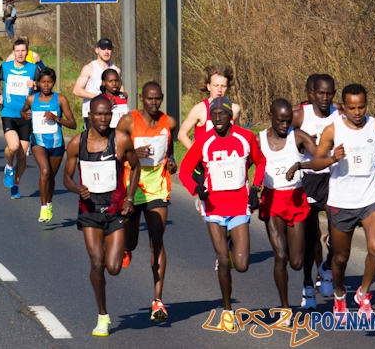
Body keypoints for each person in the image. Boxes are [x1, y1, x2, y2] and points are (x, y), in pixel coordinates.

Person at [178, 97, 265, 332]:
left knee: (242, 264)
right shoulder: (204, 141)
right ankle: (227, 311)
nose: (217, 119)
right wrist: (197, 189)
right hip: (214, 208)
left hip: (238, 206)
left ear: (231, 117)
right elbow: (184, 171)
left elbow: (260, 162)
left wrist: (255, 188)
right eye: (213, 115)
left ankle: (231, 243)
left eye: (222, 114)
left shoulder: (245, 137)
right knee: (224, 261)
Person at [63, 95, 139, 337]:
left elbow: (136, 166)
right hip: (90, 211)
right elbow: (66, 178)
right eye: (99, 114)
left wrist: (130, 198)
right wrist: (78, 189)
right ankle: (103, 316)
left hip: (115, 210)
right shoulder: (77, 143)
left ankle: (121, 246)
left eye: (107, 114)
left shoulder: (121, 140)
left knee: (113, 268)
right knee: (97, 263)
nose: (104, 118)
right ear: (90, 116)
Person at [310, 84, 375, 322]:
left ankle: (363, 294)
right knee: (340, 257)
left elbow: (372, 151)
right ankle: (340, 294)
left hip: (370, 197)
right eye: (352, 108)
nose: (357, 112)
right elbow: (315, 163)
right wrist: (332, 158)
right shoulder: (333, 131)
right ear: (343, 106)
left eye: (361, 107)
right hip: (342, 200)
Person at [116, 82, 177, 322]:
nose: (154, 103)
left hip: (157, 189)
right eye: (149, 99)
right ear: (141, 99)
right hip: (132, 188)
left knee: (157, 239)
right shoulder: (128, 122)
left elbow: (169, 151)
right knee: (131, 241)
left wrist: (171, 162)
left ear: (161, 98)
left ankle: (158, 300)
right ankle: (126, 248)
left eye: (157, 98)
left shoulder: (168, 122)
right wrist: (133, 153)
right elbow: (114, 153)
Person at [257, 99, 320, 325]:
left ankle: (306, 279)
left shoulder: (298, 136)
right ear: (271, 117)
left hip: (295, 199)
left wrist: (302, 165)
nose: (285, 125)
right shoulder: (259, 140)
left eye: (288, 121)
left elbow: (320, 158)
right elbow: (243, 164)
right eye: (280, 121)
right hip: (272, 200)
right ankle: (285, 309)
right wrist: (250, 190)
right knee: (280, 256)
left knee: (296, 262)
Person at [292, 73, 340, 307]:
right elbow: (279, 135)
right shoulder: (300, 114)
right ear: (312, 94)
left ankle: (327, 268)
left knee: (338, 233)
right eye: (320, 93)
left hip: (333, 177)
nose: (324, 98)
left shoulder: (340, 113)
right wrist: (299, 143)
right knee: (310, 238)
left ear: (333, 94)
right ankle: (308, 285)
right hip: (308, 178)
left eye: (328, 94)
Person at [21, 67, 76, 223]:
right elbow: (23, 112)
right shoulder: (32, 99)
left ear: (54, 83)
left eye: (49, 82)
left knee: (50, 176)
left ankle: (49, 203)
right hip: (38, 142)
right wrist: (24, 115)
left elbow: (73, 124)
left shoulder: (60, 99)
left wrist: (56, 118)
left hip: (57, 144)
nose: (46, 85)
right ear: (38, 83)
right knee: (44, 170)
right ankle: (43, 207)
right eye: (43, 82)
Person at [0, 39, 39, 199]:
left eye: (23, 51)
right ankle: (9, 167)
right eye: (17, 51)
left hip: (26, 115)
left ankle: (15, 185)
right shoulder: (6, 67)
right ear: (13, 52)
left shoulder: (33, 69)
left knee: (21, 156)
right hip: (9, 113)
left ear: (27, 52)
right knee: (13, 146)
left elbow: (44, 87)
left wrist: (35, 86)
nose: (20, 54)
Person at [177, 65, 242, 150]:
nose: (219, 90)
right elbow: (182, 134)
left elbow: (238, 135)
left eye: (223, 86)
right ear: (209, 87)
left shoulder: (234, 109)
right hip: (206, 157)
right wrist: (197, 153)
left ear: (227, 88)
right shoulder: (200, 109)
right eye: (216, 85)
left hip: (228, 156)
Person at [73, 38, 121, 129]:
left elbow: (121, 92)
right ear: (97, 50)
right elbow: (77, 90)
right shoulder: (89, 68)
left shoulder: (116, 70)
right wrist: (100, 98)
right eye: (103, 49)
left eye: (109, 49)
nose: (106, 52)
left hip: (112, 114)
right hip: (92, 115)